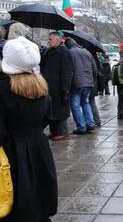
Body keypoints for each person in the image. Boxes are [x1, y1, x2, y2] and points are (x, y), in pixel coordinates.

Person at [0, 36, 58, 221]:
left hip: (11, 150)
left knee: (18, 199)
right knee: (38, 196)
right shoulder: (41, 86)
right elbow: (48, 117)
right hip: (38, 146)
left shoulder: (3, 88)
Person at [40, 32, 73, 141]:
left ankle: (63, 132)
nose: (48, 41)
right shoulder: (49, 52)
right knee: (51, 110)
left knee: (60, 110)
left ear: (58, 40)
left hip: (59, 87)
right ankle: (54, 131)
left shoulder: (64, 52)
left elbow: (67, 72)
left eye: (50, 39)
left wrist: (65, 89)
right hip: (50, 86)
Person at [65, 38, 97, 135]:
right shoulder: (86, 52)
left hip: (76, 83)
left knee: (75, 105)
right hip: (88, 82)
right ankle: (90, 123)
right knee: (85, 102)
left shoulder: (70, 53)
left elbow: (68, 70)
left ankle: (81, 127)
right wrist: (92, 80)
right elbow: (94, 69)